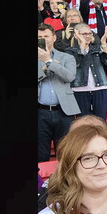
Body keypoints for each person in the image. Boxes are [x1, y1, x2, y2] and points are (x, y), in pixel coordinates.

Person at [38, 23, 80, 162]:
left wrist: (49, 61)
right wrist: (45, 67)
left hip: (63, 111)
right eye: (39, 37)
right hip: (40, 112)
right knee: (40, 153)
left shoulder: (66, 57)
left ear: (54, 38)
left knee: (64, 152)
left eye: (46, 36)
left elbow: (69, 77)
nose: (43, 39)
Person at [62, 23, 107, 121]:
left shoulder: (96, 48)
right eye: (84, 34)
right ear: (76, 35)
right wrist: (82, 48)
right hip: (79, 89)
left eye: (89, 33)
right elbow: (74, 64)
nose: (88, 36)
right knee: (83, 121)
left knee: (100, 121)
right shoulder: (69, 51)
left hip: (100, 87)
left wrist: (103, 43)